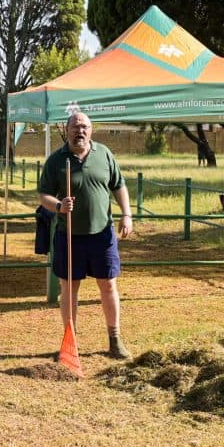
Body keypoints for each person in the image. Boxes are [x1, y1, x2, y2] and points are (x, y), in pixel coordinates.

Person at [38, 112, 133, 360]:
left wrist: (127, 215)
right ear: (66, 130)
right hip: (69, 234)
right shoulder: (57, 160)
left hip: (102, 234)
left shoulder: (104, 154)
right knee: (69, 288)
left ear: (91, 130)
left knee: (109, 285)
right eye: (75, 127)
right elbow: (44, 195)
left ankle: (114, 339)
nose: (80, 131)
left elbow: (118, 185)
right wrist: (59, 206)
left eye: (84, 127)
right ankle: (71, 341)